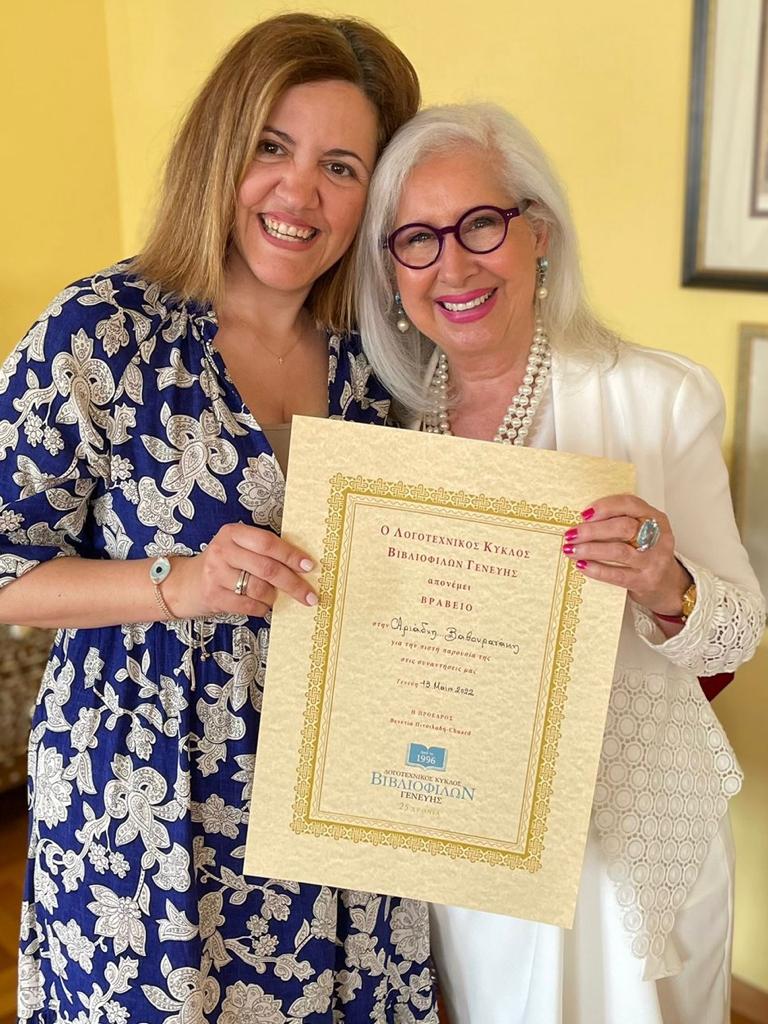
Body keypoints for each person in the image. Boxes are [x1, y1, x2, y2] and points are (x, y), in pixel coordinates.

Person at [0, 14, 440, 1023]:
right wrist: (180, 581)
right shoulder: (103, 331)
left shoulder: (387, 359)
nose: (299, 193)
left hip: (342, 796)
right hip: (145, 809)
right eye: (271, 147)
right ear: (219, 149)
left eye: (340, 166)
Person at [356, 103, 766, 1024]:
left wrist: (666, 582)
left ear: (538, 232)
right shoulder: (380, 425)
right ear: (389, 269)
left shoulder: (656, 398)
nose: (453, 266)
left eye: (481, 224)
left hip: (618, 843)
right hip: (456, 831)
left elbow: (735, 635)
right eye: (417, 239)